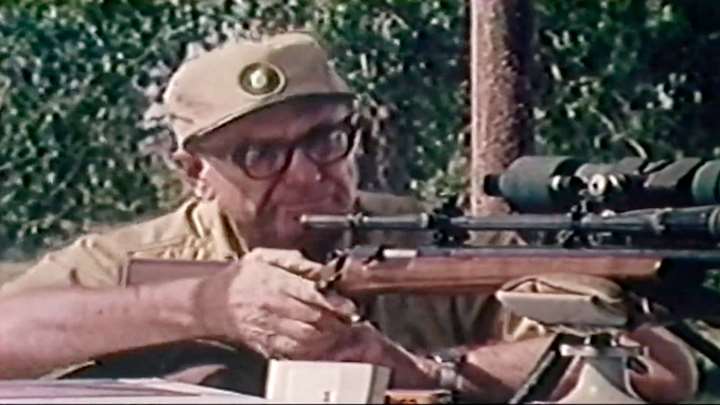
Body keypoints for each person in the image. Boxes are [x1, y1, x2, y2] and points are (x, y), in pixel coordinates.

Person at [0, 31, 698, 402]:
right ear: (194, 173)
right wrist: (212, 305)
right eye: (259, 154)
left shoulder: (434, 244)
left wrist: (419, 370)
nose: (309, 173)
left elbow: (659, 370)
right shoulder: (138, 258)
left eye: (326, 138)